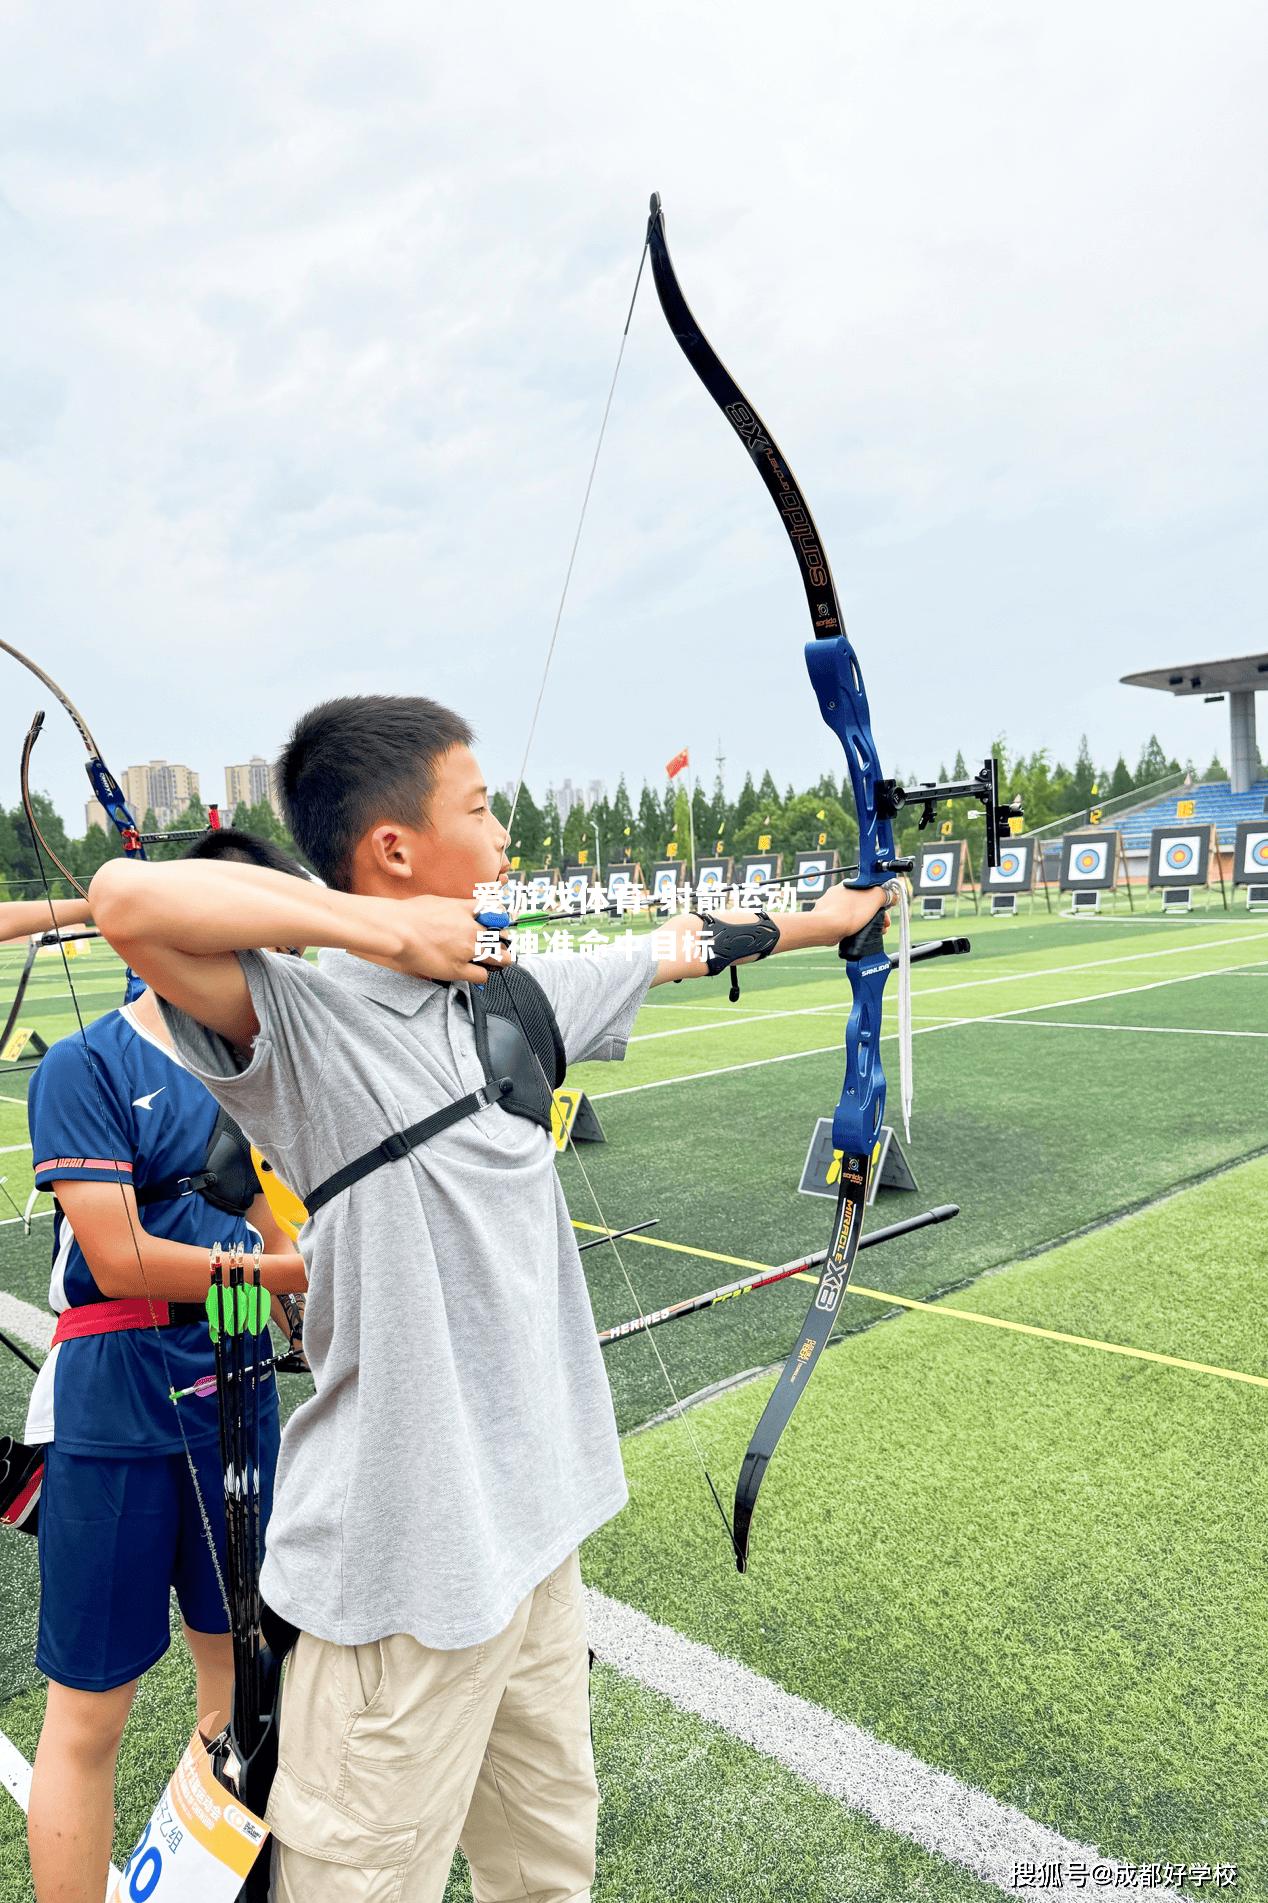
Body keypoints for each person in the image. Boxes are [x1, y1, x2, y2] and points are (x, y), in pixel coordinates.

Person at [85, 695, 893, 1903]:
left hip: (532, 1542)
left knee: (547, 1868)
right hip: (398, 1576)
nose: (504, 827)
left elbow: (690, 940)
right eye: (478, 806)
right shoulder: (302, 1020)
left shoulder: (518, 993)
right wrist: (386, 935)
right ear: (394, 848)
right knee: (357, 1884)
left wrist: (848, 914)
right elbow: (125, 903)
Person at [21, 830, 310, 1903]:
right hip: (119, 1405)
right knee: (91, 1710)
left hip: (236, 1395)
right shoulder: (86, 1064)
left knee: (240, 1683)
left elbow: (289, 1241)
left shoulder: (270, 1081)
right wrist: (285, 1269)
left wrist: (293, 1277)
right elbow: (121, 1254)